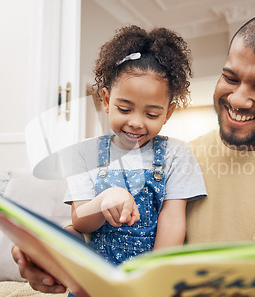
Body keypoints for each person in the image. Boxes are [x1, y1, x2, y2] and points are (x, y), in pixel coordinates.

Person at [11, 11, 255, 296]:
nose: (238, 98)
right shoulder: (173, 159)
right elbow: (106, 232)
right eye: (230, 77)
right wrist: (48, 254)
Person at [62, 25, 206, 272]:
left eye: (151, 113)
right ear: (106, 101)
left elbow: (172, 221)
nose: (136, 122)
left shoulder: (176, 154)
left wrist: (154, 278)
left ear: (168, 113)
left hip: (146, 277)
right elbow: (80, 222)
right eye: (125, 109)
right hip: (96, 276)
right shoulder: (83, 154)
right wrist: (104, 199)